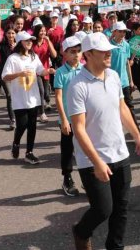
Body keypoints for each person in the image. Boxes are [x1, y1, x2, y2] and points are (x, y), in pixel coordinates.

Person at [68, 32, 140, 250]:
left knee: (121, 208)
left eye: (109, 50)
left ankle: (115, 246)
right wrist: (97, 162)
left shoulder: (112, 76)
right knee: (103, 209)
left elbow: (122, 108)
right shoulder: (77, 85)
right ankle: (81, 231)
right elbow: (79, 128)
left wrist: (137, 136)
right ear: (89, 54)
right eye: (103, 51)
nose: (108, 54)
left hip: (120, 153)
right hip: (92, 158)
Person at [2, 31, 56, 164]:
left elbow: (40, 71)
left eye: (31, 40)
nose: (30, 42)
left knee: (32, 126)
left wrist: (47, 71)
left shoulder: (33, 56)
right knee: (22, 125)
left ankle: (29, 153)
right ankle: (16, 142)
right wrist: (19, 74)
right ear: (20, 42)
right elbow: (5, 76)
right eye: (27, 41)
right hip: (20, 98)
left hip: (33, 97)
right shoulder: (13, 58)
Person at [54, 36, 83, 197]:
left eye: (79, 51)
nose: (76, 55)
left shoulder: (85, 69)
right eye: (72, 52)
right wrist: (64, 119)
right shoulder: (60, 72)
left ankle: (87, 177)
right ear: (64, 54)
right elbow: (58, 97)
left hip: (84, 119)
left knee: (85, 149)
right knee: (67, 149)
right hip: (68, 119)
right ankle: (67, 178)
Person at [109, 21, 138, 126]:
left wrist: (131, 81)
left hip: (125, 82)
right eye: (120, 31)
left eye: (124, 32)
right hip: (112, 83)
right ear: (114, 32)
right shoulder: (109, 46)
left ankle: (136, 130)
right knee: (114, 109)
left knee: (130, 107)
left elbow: (127, 63)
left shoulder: (126, 45)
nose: (122, 34)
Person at [0, 25, 18, 130]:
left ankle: (19, 115)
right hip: (6, 74)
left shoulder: (20, 45)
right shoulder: (2, 44)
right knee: (10, 96)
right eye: (8, 33)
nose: (10, 35)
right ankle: (13, 120)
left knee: (18, 95)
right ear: (5, 34)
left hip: (17, 74)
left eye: (12, 33)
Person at [33, 24, 58, 122]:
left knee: (47, 93)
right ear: (37, 32)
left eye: (44, 31)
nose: (43, 33)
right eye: (40, 31)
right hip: (35, 71)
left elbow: (54, 55)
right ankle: (42, 113)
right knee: (41, 91)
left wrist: (48, 41)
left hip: (46, 69)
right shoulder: (32, 42)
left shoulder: (47, 42)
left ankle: (44, 103)